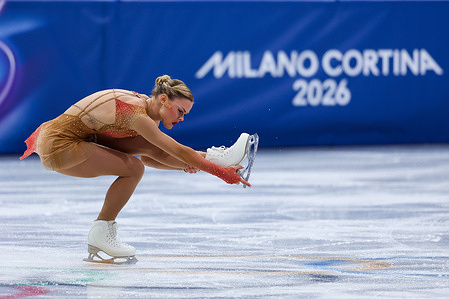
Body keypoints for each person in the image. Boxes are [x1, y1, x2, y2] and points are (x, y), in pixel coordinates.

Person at [20, 75, 253, 264]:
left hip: (66, 139)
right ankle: (101, 231)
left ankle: (219, 157)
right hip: (59, 144)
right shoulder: (136, 115)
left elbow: (155, 156)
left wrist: (197, 165)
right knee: (133, 169)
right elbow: (177, 151)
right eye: (180, 111)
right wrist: (221, 174)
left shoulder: (147, 112)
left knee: (144, 154)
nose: (182, 119)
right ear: (164, 100)